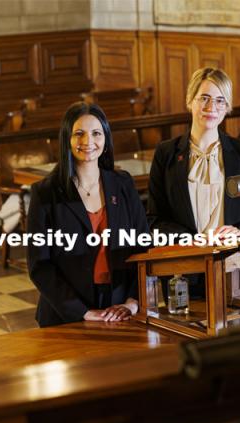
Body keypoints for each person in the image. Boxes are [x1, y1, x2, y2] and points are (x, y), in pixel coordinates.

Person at [27, 102, 149, 327]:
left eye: (96, 133)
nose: (88, 142)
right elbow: (40, 266)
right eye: (79, 134)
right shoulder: (45, 193)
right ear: (67, 139)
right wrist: (82, 312)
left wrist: (133, 301)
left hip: (120, 310)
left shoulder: (123, 184)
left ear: (106, 138)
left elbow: (143, 247)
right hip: (65, 314)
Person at [147, 67, 240, 290]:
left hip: (233, 272)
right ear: (190, 100)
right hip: (183, 273)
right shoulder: (166, 153)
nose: (211, 108)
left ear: (227, 107)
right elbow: (154, 219)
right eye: (204, 99)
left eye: (220, 101)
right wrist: (189, 239)